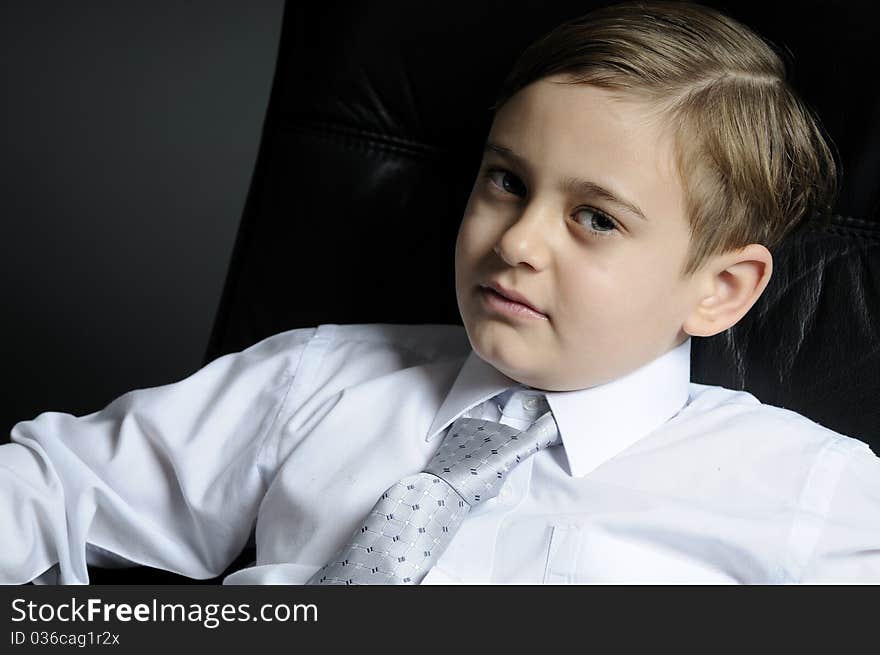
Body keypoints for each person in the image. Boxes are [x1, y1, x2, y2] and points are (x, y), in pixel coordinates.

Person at [2, 0, 878, 585]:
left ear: (722, 290)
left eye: (596, 219)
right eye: (505, 181)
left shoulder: (813, 493)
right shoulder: (313, 375)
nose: (517, 240)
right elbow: (50, 483)